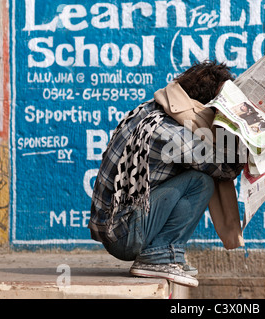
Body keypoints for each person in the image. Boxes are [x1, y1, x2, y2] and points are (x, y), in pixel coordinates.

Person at [88, 61, 245, 287]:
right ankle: (159, 255)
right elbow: (224, 169)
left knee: (189, 174)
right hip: (124, 236)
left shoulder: (152, 110)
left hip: (118, 227)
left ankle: (166, 253)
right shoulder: (171, 133)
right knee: (201, 181)